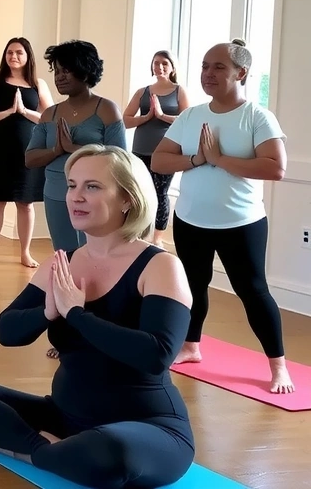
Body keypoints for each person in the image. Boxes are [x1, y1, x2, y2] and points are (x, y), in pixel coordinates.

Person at [0, 144, 196, 489]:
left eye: (93, 186)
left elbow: (156, 355)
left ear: (127, 199)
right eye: (72, 185)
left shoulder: (160, 266)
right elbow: (7, 331)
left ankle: (28, 452)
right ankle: (53, 451)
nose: (76, 196)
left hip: (148, 427)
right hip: (65, 417)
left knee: (109, 454)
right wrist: (48, 311)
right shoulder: (62, 263)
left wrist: (76, 313)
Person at [152, 38, 292, 394]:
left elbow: (275, 167)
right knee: (193, 286)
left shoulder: (257, 116)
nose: (208, 74)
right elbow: (160, 160)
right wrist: (196, 159)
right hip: (191, 219)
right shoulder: (191, 116)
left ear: (241, 73)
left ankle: (278, 366)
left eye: (218, 67)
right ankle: (190, 346)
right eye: (204, 66)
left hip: (240, 223)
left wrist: (219, 160)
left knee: (253, 291)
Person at [26, 40, 125, 254]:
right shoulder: (49, 114)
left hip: (95, 195)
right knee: (63, 254)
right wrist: (55, 151)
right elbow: (30, 158)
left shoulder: (107, 109)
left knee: (92, 253)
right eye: (57, 71)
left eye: (66, 71)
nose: (59, 77)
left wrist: (74, 148)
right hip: (55, 193)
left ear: (85, 71)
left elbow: (119, 160)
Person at [0, 37, 53, 268]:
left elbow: (50, 118)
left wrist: (24, 111)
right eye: (10, 52)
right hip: (1, 148)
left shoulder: (38, 84)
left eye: (19, 52)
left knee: (25, 203)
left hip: (29, 150)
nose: (13, 56)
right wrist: (9, 111)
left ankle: (25, 252)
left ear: (28, 56)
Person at [123, 50, 187, 247]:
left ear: (172, 68)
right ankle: (139, 233)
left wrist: (161, 116)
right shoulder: (142, 92)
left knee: (160, 193)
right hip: (140, 150)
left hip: (167, 152)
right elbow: (125, 120)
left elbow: (187, 120)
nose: (159, 67)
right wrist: (146, 117)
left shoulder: (179, 91)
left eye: (164, 63)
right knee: (138, 192)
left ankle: (157, 239)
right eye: (156, 63)